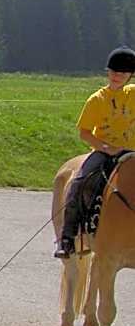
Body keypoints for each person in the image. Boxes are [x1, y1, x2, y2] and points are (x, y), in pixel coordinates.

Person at [53, 46, 135, 258]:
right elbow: (85, 133)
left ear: (130, 76)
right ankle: (67, 237)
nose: (118, 76)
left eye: (123, 73)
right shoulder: (97, 100)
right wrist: (106, 148)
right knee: (79, 182)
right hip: (105, 152)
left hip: (132, 151)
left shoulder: (133, 94)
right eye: (114, 72)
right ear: (108, 72)